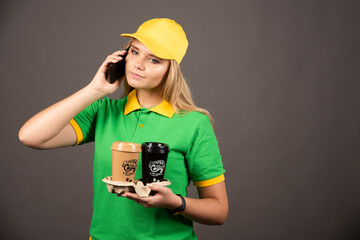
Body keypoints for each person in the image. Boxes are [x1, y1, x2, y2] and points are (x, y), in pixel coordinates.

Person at [19, 18, 228, 240]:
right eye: (135, 51)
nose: (138, 64)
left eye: (154, 60)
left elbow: (218, 211)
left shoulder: (194, 123)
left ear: (171, 70)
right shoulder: (103, 110)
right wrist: (94, 89)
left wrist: (175, 202)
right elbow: (30, 136)